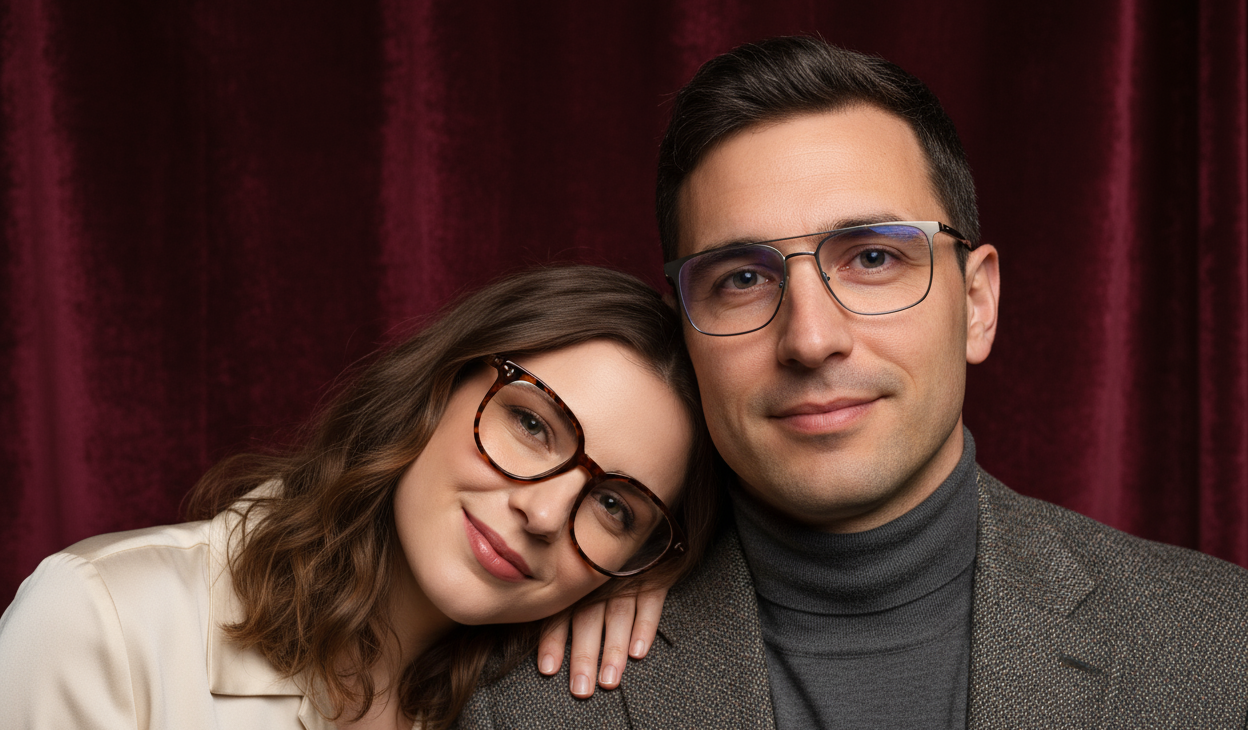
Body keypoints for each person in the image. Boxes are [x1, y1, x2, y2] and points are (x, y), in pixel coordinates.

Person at [458, 37, 1248, 728]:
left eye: (873, 257)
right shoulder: (531, 702)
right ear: (687, 334)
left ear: (976, 305)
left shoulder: (1219, 650)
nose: (810, 338)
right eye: (741, 278)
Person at [0, 265, 719, 730]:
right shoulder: (104, 622)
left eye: (614, 509)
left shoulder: (551, 703)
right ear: (440, 384)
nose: (541, 514)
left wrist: (669, 591)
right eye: (533, 424)